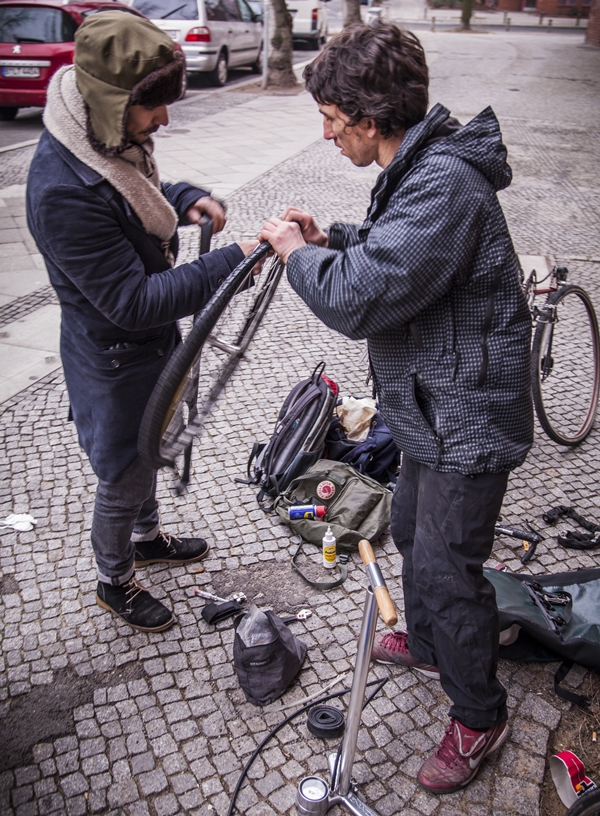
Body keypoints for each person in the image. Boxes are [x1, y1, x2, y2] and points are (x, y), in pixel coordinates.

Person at [260, 22, 533, 795]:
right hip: (430, 409)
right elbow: (388, 247)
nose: (327, 133)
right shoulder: (419, 168)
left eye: (333, 120)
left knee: (450, 573)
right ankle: (427, 642)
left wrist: (297, 256)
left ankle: (480, 716)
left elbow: (362, 296)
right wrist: (330, 236)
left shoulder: (446, 182)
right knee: (408, 528)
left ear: (371, 120)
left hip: (465, 422)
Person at [26, 11, 258, 634]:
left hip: (147, 350)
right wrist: (228, 264)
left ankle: (148, 539)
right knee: (125, 473)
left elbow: (135, 191)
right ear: (111, 101)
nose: (164, 121)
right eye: (152, 108)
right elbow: (132, 301)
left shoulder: (101, 138)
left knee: (151, 452)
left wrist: (181, 198)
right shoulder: (62, 192)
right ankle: (114, 578)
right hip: (114, 359)